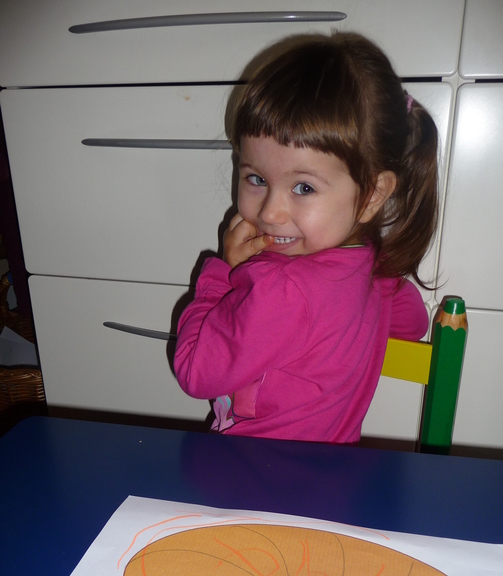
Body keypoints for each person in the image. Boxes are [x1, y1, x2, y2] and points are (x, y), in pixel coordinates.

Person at [174, 32, 437, 444]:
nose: (270, 213)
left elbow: (194, 370)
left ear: (372, 195)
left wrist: (221, 276)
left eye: (303, 188)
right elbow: (413, 324)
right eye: (256, 179)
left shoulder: (281, 289)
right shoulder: (372, 269)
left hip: (253, 474)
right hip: (331, 471)